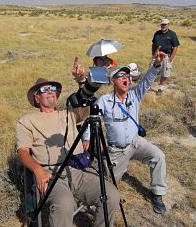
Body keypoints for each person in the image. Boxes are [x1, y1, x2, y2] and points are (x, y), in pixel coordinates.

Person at [16, 78, 120, 227]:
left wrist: (82, 82)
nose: (50, 91)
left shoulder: (69, 114)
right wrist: (37, 170)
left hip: (77, 169)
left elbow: (83, 101)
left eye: (52, 88)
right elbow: (23, 151)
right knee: (65, 203)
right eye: (44, 90)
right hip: (50, 174)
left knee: (112, 195)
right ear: (36, 98)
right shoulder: (27, 121)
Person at [96, 49, 168, 214]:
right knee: (108, 185)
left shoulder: (135, 95)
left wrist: (156, 64)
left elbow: (147, 81)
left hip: (136, 142)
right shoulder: (105, 101)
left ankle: (157, 193)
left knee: (159, 156)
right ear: (113, 81)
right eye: (121, 76)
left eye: (127, 76)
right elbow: (93, 119)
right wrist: (86, 138)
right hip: (116, 150)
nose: (126, 78)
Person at [152, 18, 180, 94]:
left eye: (165, 24)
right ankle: (148, 85)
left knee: (165, 73)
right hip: (157, 55)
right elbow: (153, 44)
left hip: (166, 56)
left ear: (168, 25)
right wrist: (153, 54)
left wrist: (171, 58)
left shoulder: (172, 34)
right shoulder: (157, 33)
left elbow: (175, 47)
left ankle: (160, 88)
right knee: (152, 70)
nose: (163, 26)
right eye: (162, 24)